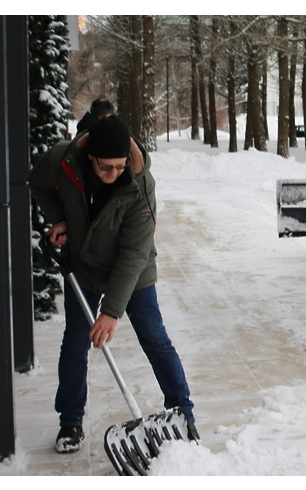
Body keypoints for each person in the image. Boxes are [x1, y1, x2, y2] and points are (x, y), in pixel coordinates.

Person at [29, 115, 197, 454]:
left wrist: (111, 311)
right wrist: (59, 218)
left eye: (119, 166)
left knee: (154, 337)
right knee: (75, 342)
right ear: (90, 156)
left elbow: (134, 254)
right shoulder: (64, 162)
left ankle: (182, 413)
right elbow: (37, 181)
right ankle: (70, 422)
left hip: (133, 273)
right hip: (85, 266)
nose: (114, 174)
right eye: (106, 167)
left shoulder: (139, 182)